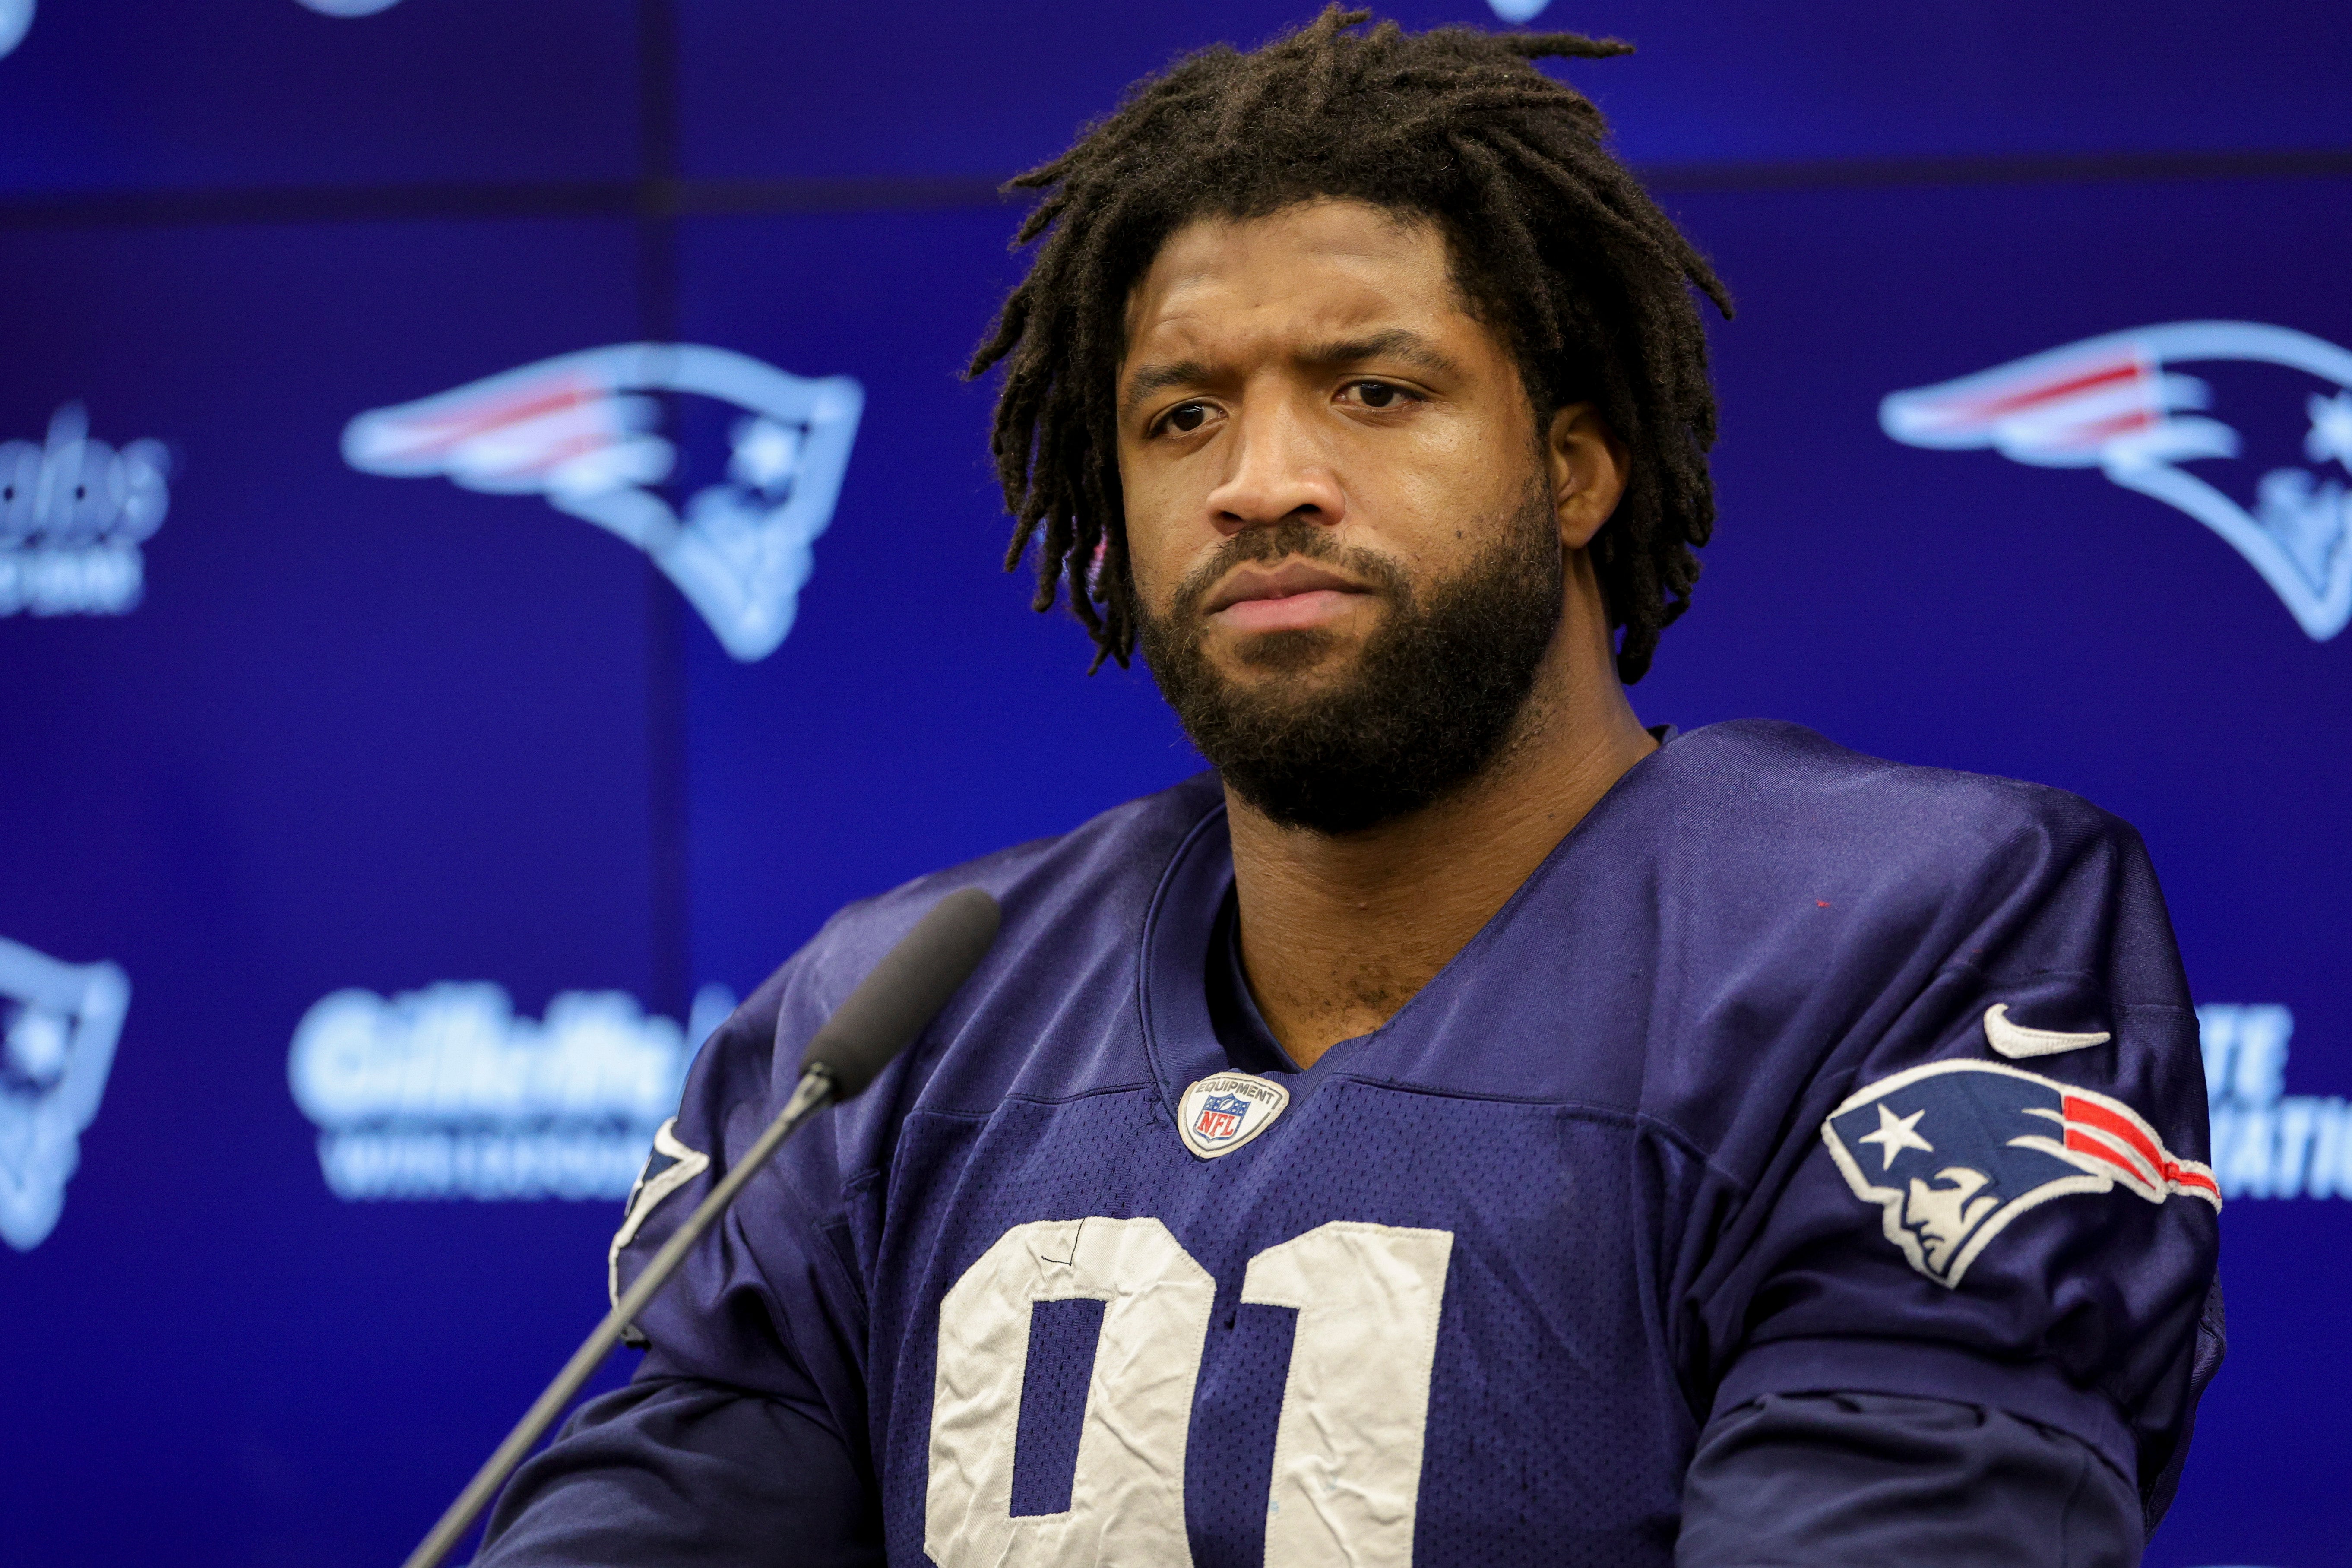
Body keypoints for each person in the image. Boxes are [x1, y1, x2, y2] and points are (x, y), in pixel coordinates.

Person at [478, 9, 2222, 1564]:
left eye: (1375, 390)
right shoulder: (888, 1018)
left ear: (1577, 467)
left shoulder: (1917, 930)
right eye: (1180, 420)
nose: (1263, 480)